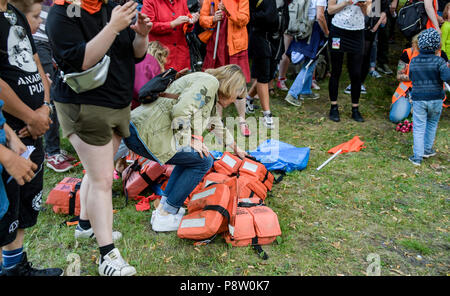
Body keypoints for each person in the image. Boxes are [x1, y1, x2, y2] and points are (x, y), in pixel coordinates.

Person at [46, 0, 152, 276]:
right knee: (103, 179)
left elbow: (136, 54)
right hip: (84, 106)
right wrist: (112, 26)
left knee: (96, 174)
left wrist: (141, 35)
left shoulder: (112, 6)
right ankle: (108, 257)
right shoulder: (62, 13)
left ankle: (85, 226)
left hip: (117, 102)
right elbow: (81, 60)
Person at [126, 64, 248, 232]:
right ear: (231, 86)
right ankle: (166, 214)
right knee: (203, 161)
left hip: (143, 131)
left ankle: (165, 208)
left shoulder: (211, 91)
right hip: (144, 133)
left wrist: (235, 147)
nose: (235, 100)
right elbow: (181, 110)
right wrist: (188, 139)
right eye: (237, 95)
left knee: (194, 159)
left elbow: (214, 123)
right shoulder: (209, 82)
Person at [0, 0, 64, 276]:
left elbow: (36, 60)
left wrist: (44, 107)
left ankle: (14, 267)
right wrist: (29, 116)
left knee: (25, 203)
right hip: (12, 126)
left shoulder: (13, 12)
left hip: (32, 126)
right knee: (4, 208)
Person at [9, 0, 77, 173]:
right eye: (36, 17)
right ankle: (52, 152)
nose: (38, 19)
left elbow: (73, 14)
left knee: (52, 91)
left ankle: (50, 147)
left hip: (53, 40)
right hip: (39, 40)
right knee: (49, 95)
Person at [199, 0, 252, 136]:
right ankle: (218, 121)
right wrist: (213, 19)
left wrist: (228, 10)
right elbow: (202, 19)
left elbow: (244, 19)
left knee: (239, 83)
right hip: (216, 44)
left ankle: (242, 120)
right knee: (216, 82)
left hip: (235, 45)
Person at [408, 28, 450, 166]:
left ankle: (417, 156)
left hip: (419, 98)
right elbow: (446, 77)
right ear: (438, 46)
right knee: (432, 124)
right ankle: (427, 149)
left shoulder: (414, 61)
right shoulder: (439, 62)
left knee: (419, 127)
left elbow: (411, 77)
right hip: (436, 98)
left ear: (419, 44)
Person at [327, 0, 371, 123]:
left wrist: (364, 6)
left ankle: (355, 108)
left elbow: (369, 13)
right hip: (338, 31)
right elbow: (330, 10)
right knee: (336, 70)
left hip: (357, 33)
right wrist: (345, 3)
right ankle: (334, 107)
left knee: (356, 73)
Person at [284, 0, 329, 107]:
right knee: (310, 63)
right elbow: (320, 16)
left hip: (302, 25)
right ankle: (292, 94)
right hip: (313, 29)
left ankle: (305, 91)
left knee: (311, 61)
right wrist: (327, 32)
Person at [246, 0, 279, 129]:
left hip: (276, 37)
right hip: (259, 37)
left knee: (269, 74)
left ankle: (248, 98)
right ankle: (267, 115)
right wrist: (264, 16)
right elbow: (253, 15)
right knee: (264, 75)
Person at [142, 0, 200, 71]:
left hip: (181, 54)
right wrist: (172, 24)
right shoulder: (150, 1)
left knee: (182, 80)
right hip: (161, 54)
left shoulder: (182, 1)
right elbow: (148, 26)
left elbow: (186, 27)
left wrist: (190, 22)